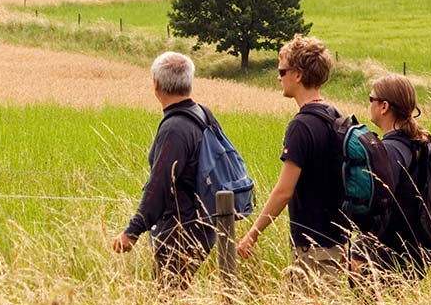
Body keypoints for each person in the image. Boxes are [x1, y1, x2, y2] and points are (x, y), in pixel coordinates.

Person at [235, 35, 349, 286]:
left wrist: (253, 233)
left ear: (298, 75)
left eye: (282, 71)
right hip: (339, 241)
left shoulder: (301, 126)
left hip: (312, 245)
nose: (279, 77)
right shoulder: (335, 115)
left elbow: (284, 191)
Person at [111, 51, 216, 288]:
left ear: (156, 85)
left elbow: (159, 185)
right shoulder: (203, 114)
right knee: (178, 298)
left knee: (168, 303)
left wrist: (132, 232)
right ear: (189, 82)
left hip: (181, 232)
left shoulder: (174, 128)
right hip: (205, 226)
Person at [365, 73, 431, 276]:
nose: (369, 104)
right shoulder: (419, 143)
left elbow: (380, 203)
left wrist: (361, 248)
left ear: (384, 106)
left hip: (389, 255)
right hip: (415, 252)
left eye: (371, 99)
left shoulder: (390, 149)